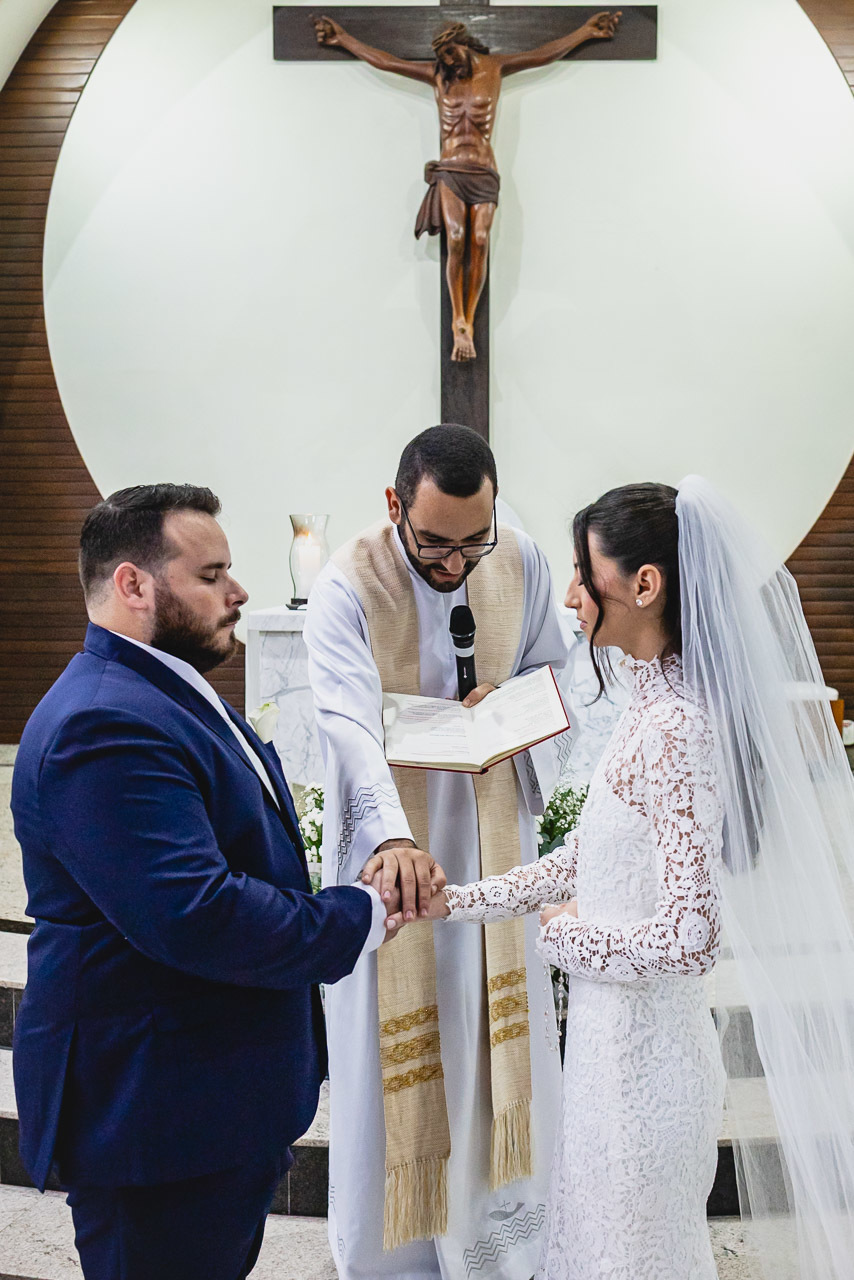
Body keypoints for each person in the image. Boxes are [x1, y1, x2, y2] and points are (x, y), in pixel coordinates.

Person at [422, 477, 854, 1279]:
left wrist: (569, 940)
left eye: (585, 575)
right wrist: (454, 901)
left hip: (646, 1073)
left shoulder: (679, 728)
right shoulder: (652, 708)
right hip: (606, 1055)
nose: (574, 595)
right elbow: (584, 860)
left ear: (645, 585)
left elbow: (693, 939)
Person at [11, 484, 402, 1280]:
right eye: (212, 573)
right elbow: (196, 912)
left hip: (205, 1099)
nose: (240, 590)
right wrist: (356, 915)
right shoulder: (102, 722)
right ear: (133, 585)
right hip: (154, 1116)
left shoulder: (156, 689)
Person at [303, 424, 572, 1280]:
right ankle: (398, 1260)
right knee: (396, 1058)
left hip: (493, 854)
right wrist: (391, 834)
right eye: (434, 543)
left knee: (493, 1045)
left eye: (473, 542)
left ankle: (495, 1250)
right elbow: (345, 719)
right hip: (396, 864)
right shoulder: (348, 581)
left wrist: (515, 703)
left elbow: (557, 675)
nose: (456, 564)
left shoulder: (521, 563)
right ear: (394, 508)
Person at [312, 11, 620, 362]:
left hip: (484, 171)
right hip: (451, 172)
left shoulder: (495, 68)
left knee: (481, 239)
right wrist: (344, 40)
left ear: (463, 43)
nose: (446, 62)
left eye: (450, 54)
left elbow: (543, 53)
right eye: (441, 57)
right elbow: (387, 62)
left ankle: (470, 314)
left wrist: (583, 32)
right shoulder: (437, 75)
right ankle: (460, 322)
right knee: (456, 238)